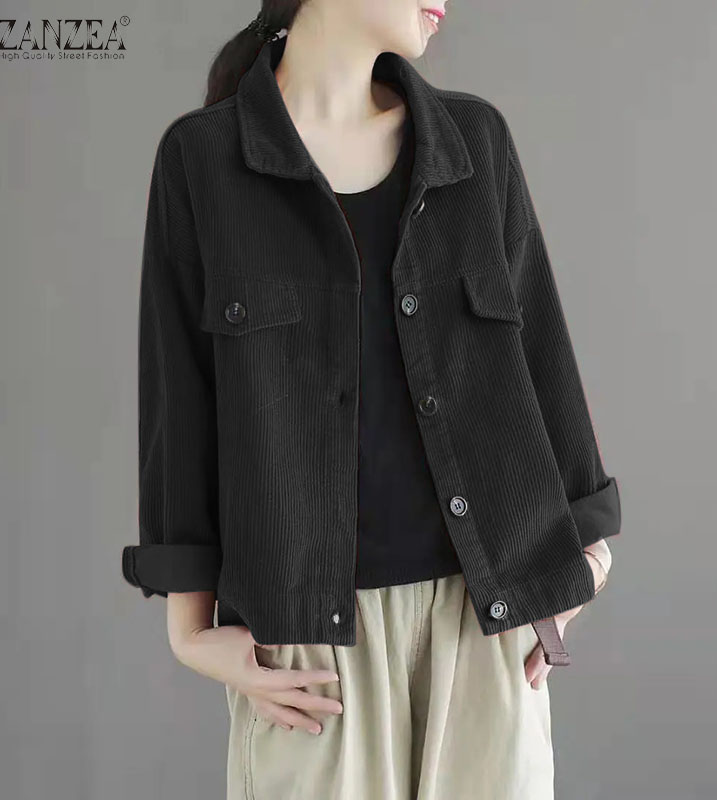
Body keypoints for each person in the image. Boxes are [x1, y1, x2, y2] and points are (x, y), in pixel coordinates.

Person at [121, 2, 621, 798]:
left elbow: (541, 354)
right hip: (310, 648)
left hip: (484, 620)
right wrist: (190, 630)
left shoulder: (474, 143)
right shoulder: (204, 160)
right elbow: (180, 398)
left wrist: (589, 555)